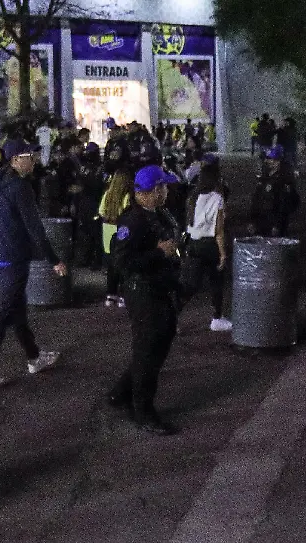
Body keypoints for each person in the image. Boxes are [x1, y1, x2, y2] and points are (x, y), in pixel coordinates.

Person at [0, 139, 66, 386]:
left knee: (17, 308)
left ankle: (34, 356)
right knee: (4, 311)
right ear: (15, 160)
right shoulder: (20, 187)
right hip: (13, 256)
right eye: (29, 157)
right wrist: (54, 259)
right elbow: (34, 227)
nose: (34, 160)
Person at [107, 165, 182, 435]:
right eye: (163, 187)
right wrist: (159, 253)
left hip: (159, 288)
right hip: (143, 293)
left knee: (157, 345)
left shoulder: (157, 213)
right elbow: (122, 262)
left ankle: (120, 393)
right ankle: (143, 411)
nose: (166, 191)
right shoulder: (133, 220)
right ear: (150, 192)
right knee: (148, 352)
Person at [184, 162, 229, 332]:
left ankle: (172, 314)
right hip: (209, 245)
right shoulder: (217, 198)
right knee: (216, 281)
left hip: (193, 243)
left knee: (190, 285)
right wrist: (223, 254)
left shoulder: (192, 197)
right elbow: (219, 230)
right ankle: (217, 318)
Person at [99, 170, 135, 308]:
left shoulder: (107, 194)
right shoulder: (127, 196)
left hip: (107, 230)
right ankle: (122, 296)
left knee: (111, 264)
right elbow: (128, 214)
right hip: (121, 230)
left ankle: (110, 295)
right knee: (123, 263)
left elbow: (101, 212)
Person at [248, 146, 299, 237]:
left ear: (278, 161)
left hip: (274, 224)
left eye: (269, 159)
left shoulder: (284, 179)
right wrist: (253, 221)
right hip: (261, 222)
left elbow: (284, 205)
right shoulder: (264, 177)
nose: (266, 161)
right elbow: (256, 200)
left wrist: (277, 225)